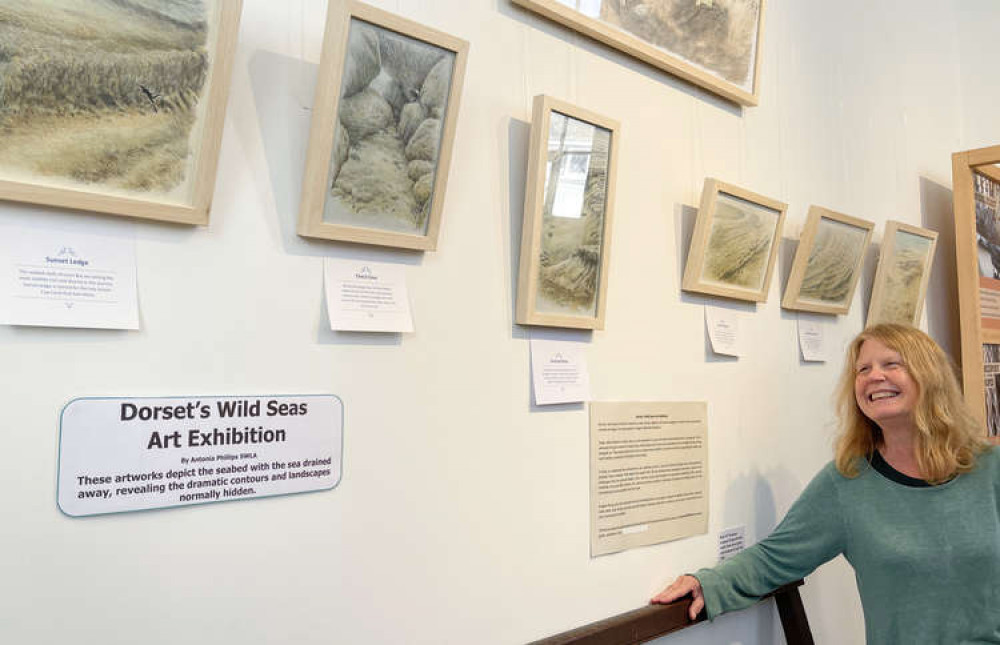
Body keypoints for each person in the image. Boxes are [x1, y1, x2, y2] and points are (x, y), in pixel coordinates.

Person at [651, 323, 999, 644]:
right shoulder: (847, 482)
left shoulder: (990, 468)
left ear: (930, 377)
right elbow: (775, 557)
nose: (873, 376)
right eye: (863, 369)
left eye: (891, 364)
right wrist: (707, 584)